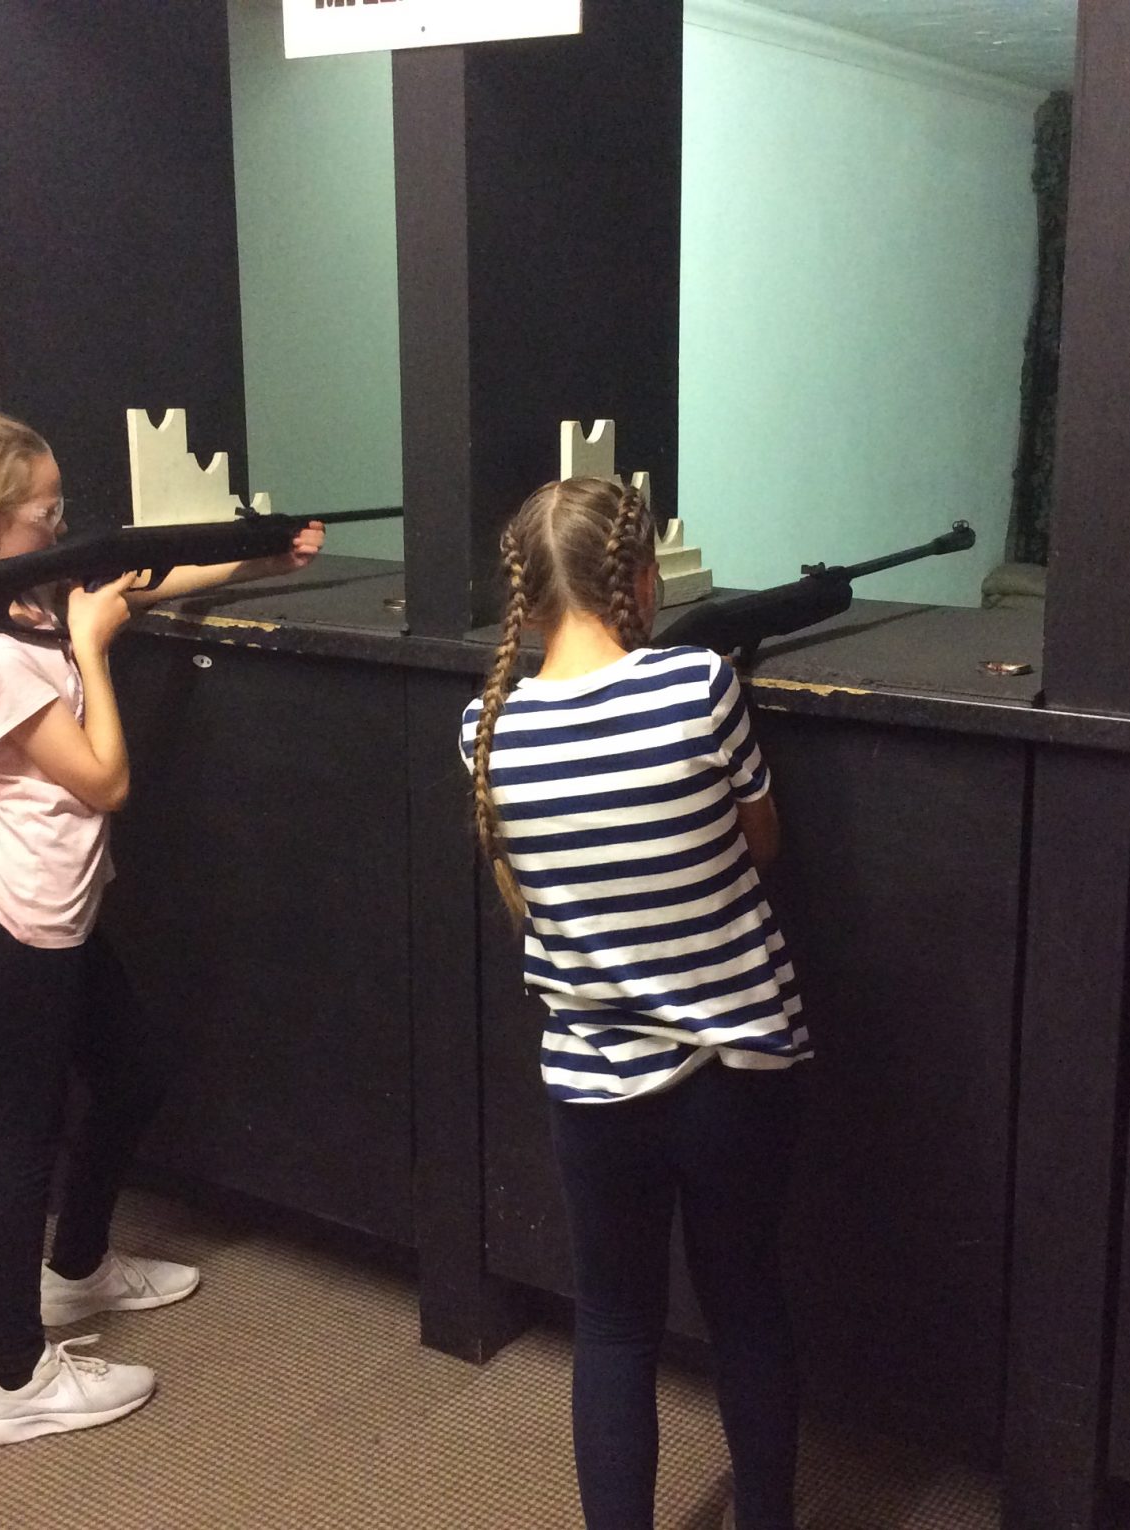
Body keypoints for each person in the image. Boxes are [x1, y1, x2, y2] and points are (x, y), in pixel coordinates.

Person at [0, 410, 323, 1444]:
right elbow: (103, 779)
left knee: (133, 1073)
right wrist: (94, 654)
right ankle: (10, 1380)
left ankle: (76, 1267)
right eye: (47, 514)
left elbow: (130, 585)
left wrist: (255, 554)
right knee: (21, 1139)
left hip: (54, 913)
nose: (62, 529)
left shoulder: (10, 598)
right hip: (19, 926)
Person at [463, 477, 809, 1530]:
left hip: (594, 1087)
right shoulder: (698, 686)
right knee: (745, 1308)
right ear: (644, 581)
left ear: (524, 595)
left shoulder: (486, 728)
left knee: (613, 1329)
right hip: (735, 1071)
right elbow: (761, 841)